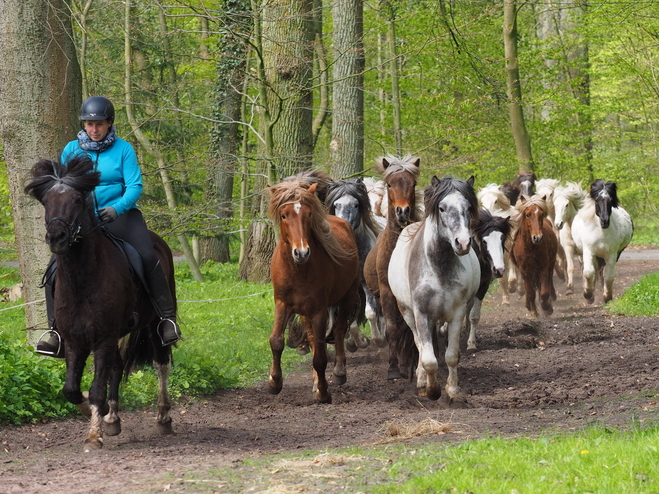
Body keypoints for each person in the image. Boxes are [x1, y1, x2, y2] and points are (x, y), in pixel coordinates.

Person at [36, 96, 181, 357]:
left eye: (99, 124)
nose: (94, 129)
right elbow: (64, 188)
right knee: (54, 267)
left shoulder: (124, 149)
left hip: (120, 215)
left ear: (109, 124)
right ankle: (55, 330)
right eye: (89, 124)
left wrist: (117, 208)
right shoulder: (71, 149)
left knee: (148, 256)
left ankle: (165, 320)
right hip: (82, 221)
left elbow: (135, 185)